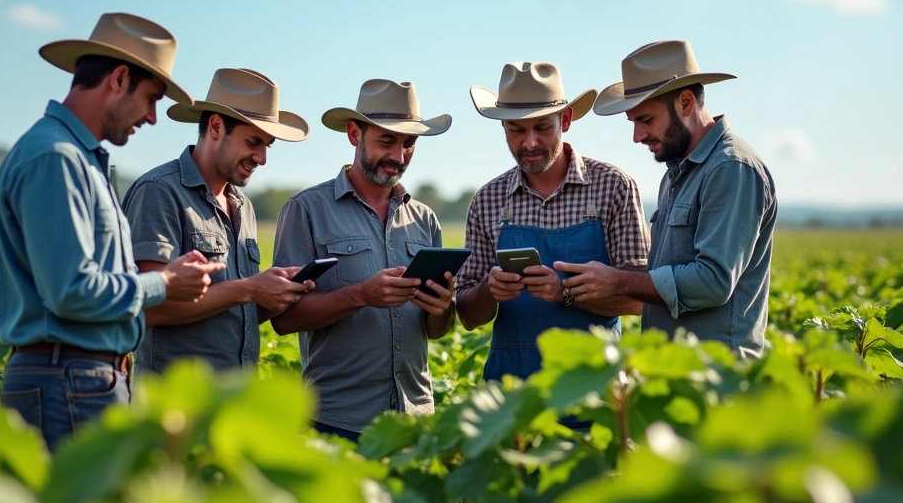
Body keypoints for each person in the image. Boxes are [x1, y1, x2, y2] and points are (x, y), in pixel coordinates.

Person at [0, 12, 224, 451]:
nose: (154, 118)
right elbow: (71, 290)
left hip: (80, 379)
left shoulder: (76, 159)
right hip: (67, 379)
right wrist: (165, 283)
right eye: (151, 98)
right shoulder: (56, 159)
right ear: (118, 79)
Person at [271, 79, 456, 442]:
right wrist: (361, 296)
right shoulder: (307, 209)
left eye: (409, 144)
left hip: (415, 419)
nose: (399, 156)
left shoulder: (425, 219)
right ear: (354, 133)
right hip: (338, 421)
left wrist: (442, 307)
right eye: (387, 141)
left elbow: (437, 330)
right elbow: (284, 319)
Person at [571, 40, 777, 356]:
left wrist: (619, 282)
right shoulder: (676, 173)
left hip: (715, 380)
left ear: (685, 102)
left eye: (646, 120)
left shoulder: (731, 168)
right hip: (676, 375)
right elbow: (663, 274)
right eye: (633, 122)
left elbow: (712, 282)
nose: (637, 136)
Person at [455, 62, 649, 391]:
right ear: (503, 126)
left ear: (567, 120)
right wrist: (490, 290)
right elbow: (468, 315)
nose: (530, 143)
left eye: (542, 128)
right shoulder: (487, 200)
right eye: (517, 130)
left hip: (594, 393)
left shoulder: (613, 187)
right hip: (511, 398)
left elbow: (640, 298)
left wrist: (564, 293)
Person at [122, 68, 314, 374]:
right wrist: (248, 289)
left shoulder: (243, 206)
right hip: (177, 406)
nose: (262, 158)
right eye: (253, 142)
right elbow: (148, 307)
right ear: (215, 126)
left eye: (267, 146)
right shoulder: (159, 191)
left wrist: (270, 296)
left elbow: (227, 310)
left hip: (234, 402)